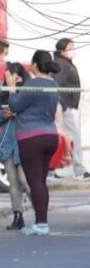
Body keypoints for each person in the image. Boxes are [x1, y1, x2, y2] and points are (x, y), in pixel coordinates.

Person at [6, 50, 61, 235]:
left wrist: (11, 86)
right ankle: (40, 222)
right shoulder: (53, 84)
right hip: (51, 136)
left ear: (35, 65)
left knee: (35, 181)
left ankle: (42, 224)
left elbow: (15, 105)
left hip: (31, 137)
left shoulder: (32, 84)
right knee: (41, 181)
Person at [0, 62, 32, 230]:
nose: (6, 77)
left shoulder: (28, 91)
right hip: (7, 143)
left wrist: (18, 113)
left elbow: (35, 115)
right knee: (12, 181)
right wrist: (3, 114)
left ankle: (39, 214)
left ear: (18, 76)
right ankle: (17, 215)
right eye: (5, 74)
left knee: (25, 179)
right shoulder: (2, 94)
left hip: (24, 141)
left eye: (10, 74)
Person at [52, 38, 88, 180]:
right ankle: (79, 170)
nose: (73, 50)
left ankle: (57, 171)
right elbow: (56, 86)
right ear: (61, 50)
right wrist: (61, 105)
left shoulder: (65, 63)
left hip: (64, 106)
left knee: (63, 139)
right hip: (62, 107)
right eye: (70, 47)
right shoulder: (61, 65)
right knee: (74, 137)